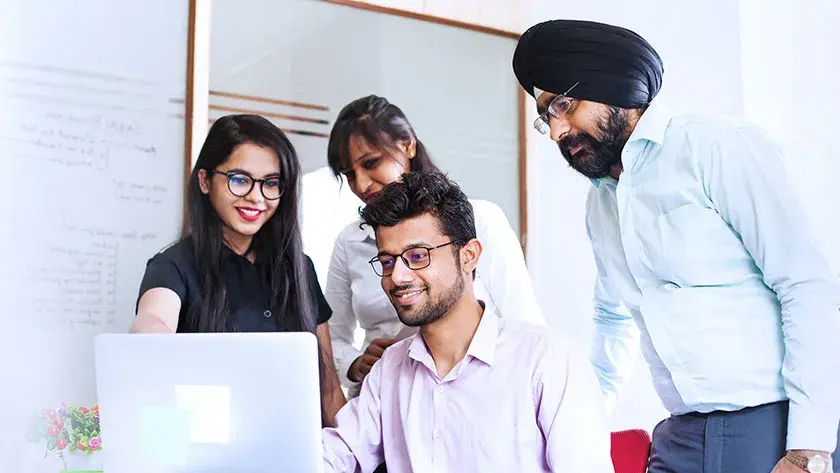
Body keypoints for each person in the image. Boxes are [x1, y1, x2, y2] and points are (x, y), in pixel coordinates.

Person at [512, 19, 840, 473]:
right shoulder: (600, 205)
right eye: (545, 115)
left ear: (611, 84)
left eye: (563, 105)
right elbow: (613, 320)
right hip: (680, 435)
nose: (556, 131)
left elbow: (806, 285)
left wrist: (809, 449)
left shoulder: (714, 147)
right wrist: (575, 426)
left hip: (773, 426)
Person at [321, 171, 613, 473]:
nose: (397, 277)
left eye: (418, 256)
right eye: (387, 262)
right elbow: (336, 455)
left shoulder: (547, 361)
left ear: (469, 256)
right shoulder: (388, 370)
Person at [131, 114, 346, 426]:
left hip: (292, 451)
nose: (256, 197)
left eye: (271, 183)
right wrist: (150, 336)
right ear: (205, 181)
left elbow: (327, 390)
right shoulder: (173, 265)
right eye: (239, 179)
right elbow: (152, 322)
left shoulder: (299, 268)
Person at [325, 95, 545, 398]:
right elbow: (330, 337)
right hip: (380, 400)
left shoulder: (480, 220)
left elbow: (524, 324)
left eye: (371, 163)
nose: (362, 185)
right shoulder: (349, 241)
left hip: (471, 396)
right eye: (349, 175)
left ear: (408, 145)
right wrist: (356, 364)